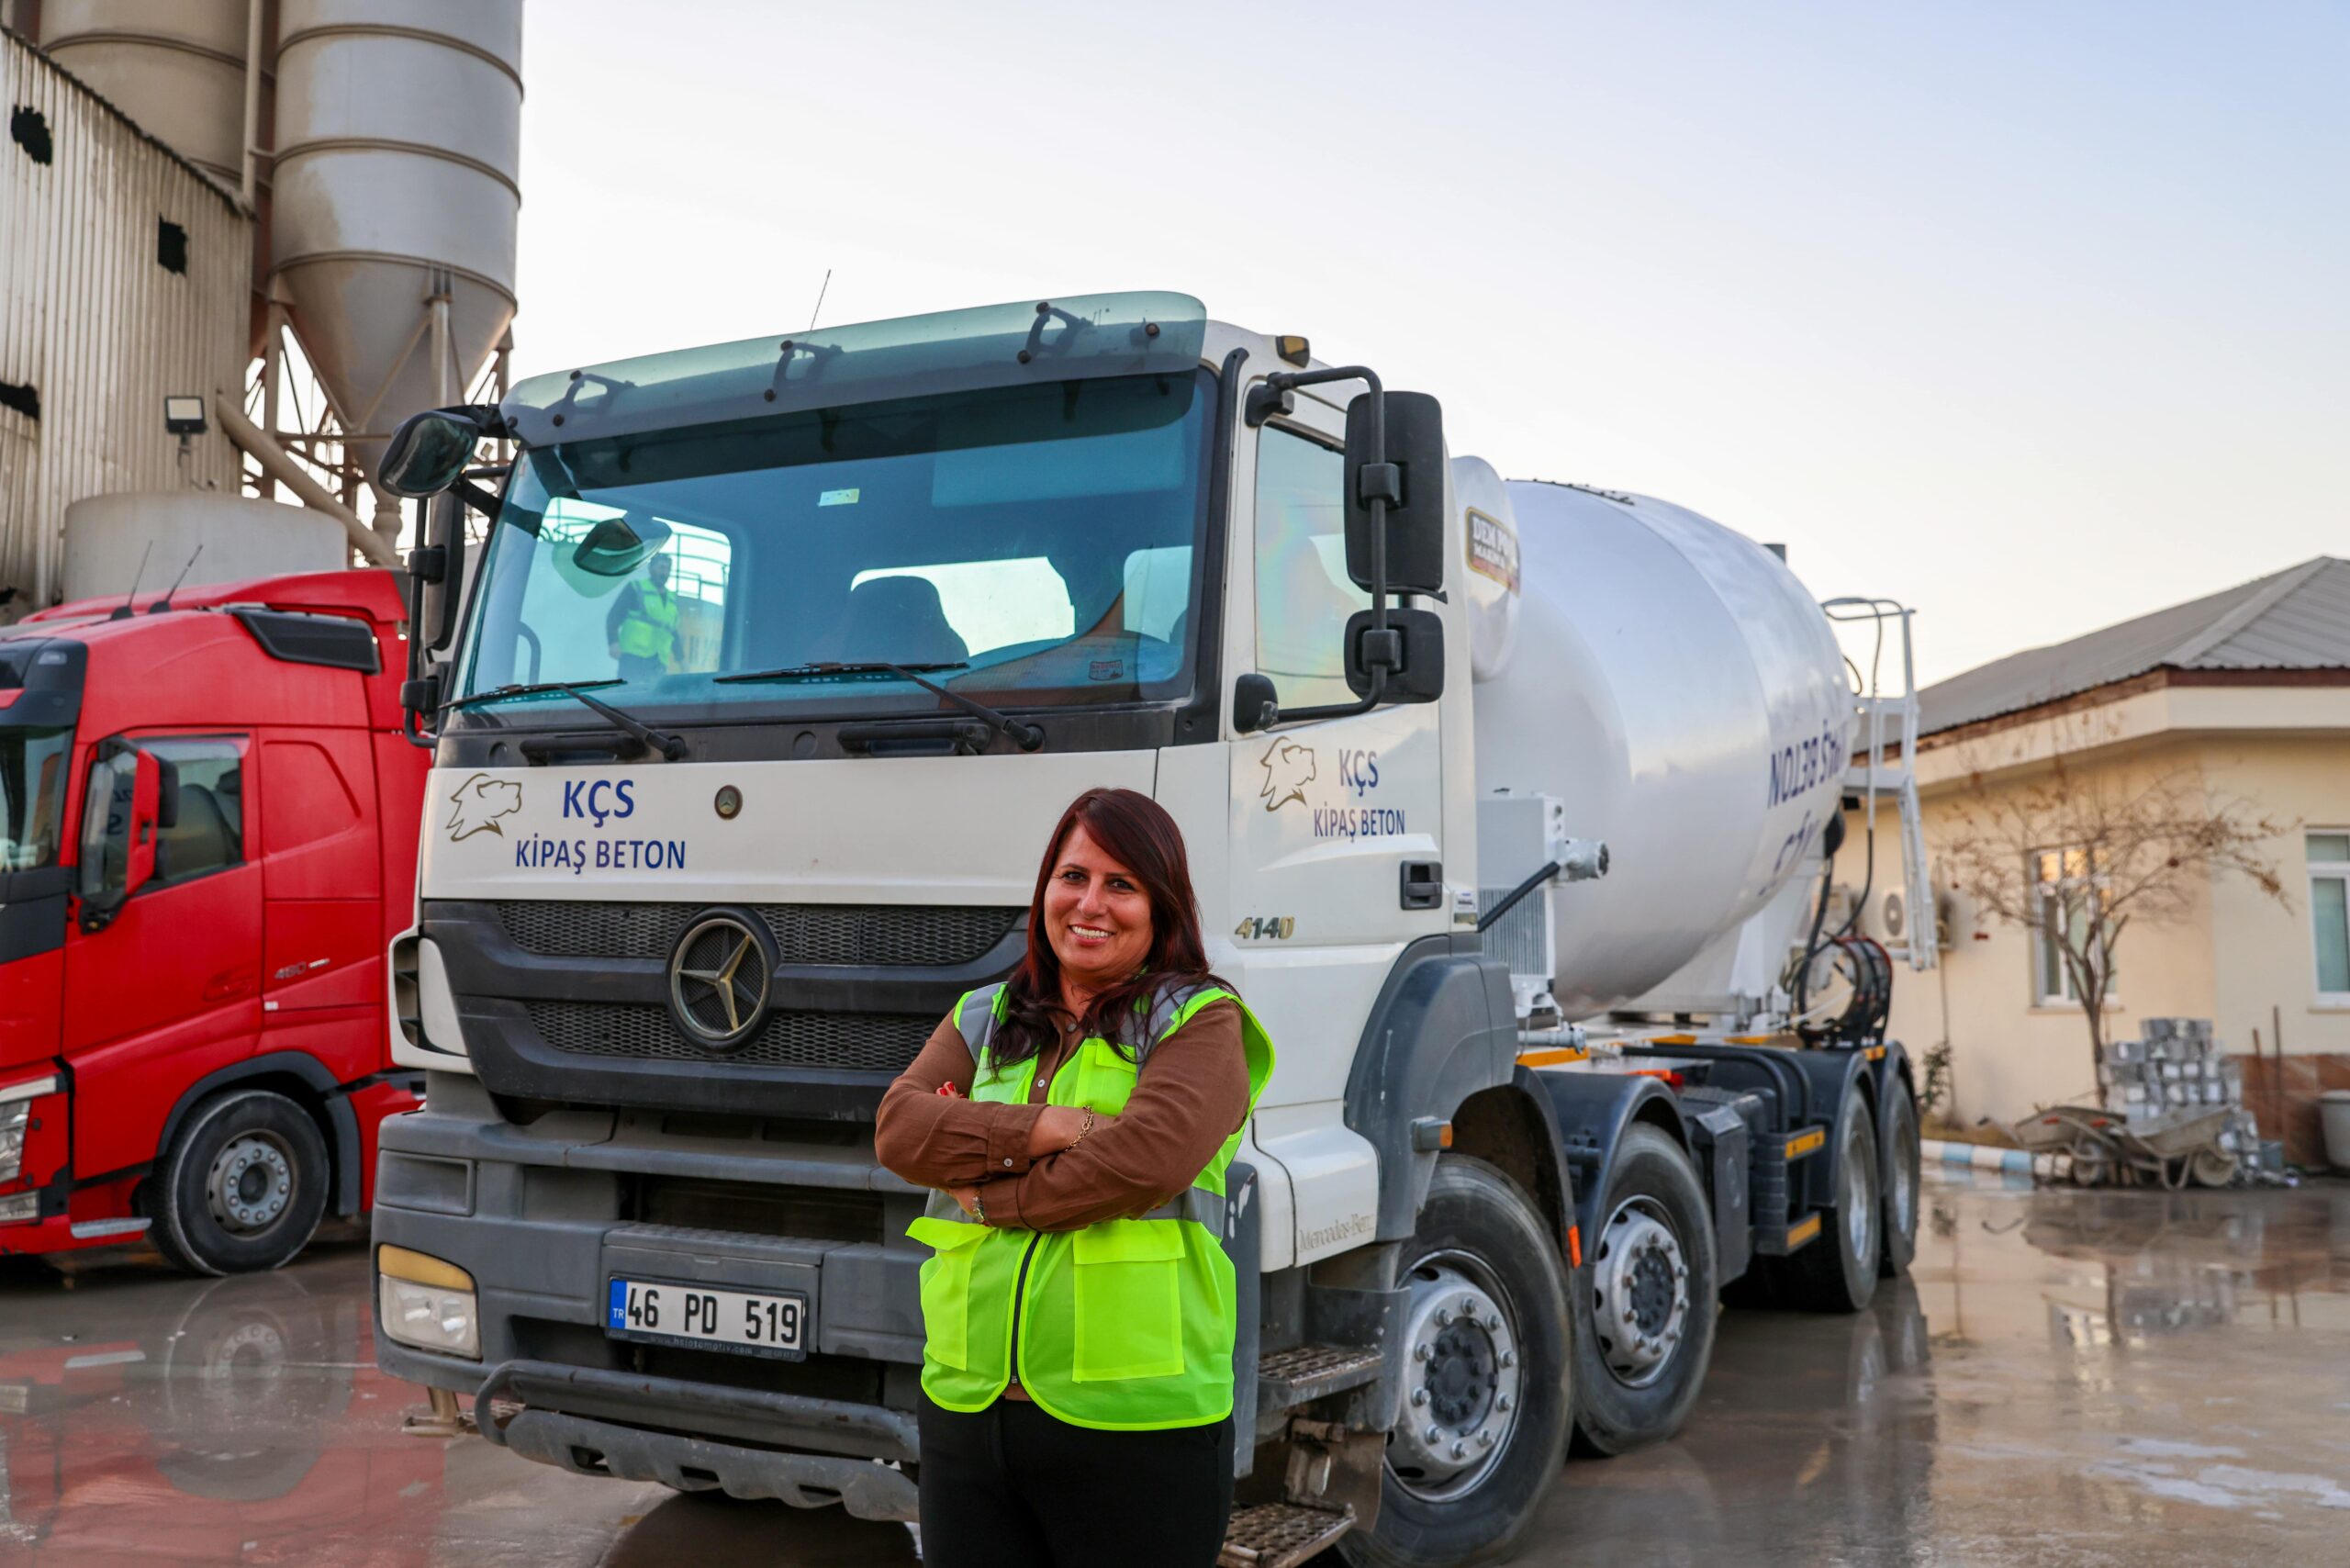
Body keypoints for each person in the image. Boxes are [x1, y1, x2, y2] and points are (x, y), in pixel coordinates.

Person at [875, 788, 1276, 1568]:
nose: (1090, 904)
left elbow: (1141, 1163)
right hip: (967, 1409)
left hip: (1137, 1425)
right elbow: (899, 1130)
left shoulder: (1200, 1021)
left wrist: (988, 1194)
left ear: (1161, 907)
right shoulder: (985, 1015)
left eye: (1121, 884)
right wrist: (1047, 1128)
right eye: (1073, 877)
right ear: (1045, 891)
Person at [604, 553, 679, 680]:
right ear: (651, 568)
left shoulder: (672, 599)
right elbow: (614, 616)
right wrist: (613, 643)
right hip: (633, 658)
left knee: (653, 693)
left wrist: (681, 659)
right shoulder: (636, 588)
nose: (665, 573)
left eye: (668, 569)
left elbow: (674, 632)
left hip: (658, 662)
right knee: (629, 691)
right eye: (661, 567)